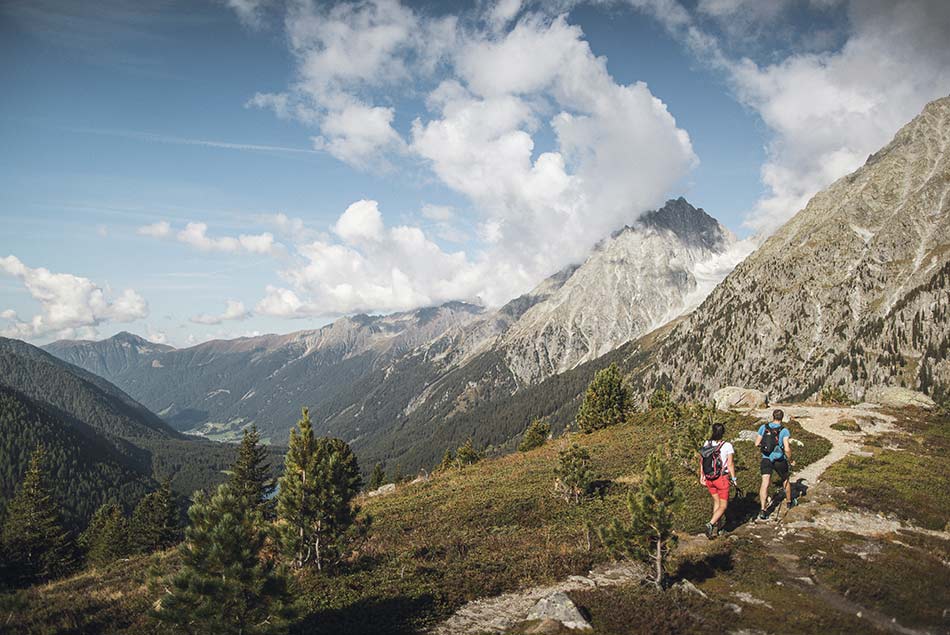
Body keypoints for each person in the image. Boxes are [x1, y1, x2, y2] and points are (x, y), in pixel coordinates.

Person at [699, 422, 736, 539]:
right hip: (721, 478)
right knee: (723, 505)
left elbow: (702, 461)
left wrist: (702, 476)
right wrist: (734, 479)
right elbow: (730, 464)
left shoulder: (707, 443)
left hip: (709, 478)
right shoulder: (727, 446)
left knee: (717, 502)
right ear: (723, 432)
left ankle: (717, 528)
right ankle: (710, 524)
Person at [755, 408, 794, 520]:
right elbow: (787, 448)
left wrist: (765, 447)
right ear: (782, 418)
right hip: (779, 459)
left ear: (773, 416)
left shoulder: (764, 427)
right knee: (785, 479)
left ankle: (763, 509)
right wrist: (790, 459)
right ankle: (789, 502)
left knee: (765, 482)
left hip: (766, 458)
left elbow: (756, 443)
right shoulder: (784, 431)